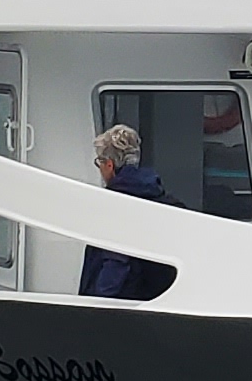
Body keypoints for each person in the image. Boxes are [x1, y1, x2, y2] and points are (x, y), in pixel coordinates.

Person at [77, 124, 182, 301]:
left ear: (109, 165)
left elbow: (114, 269)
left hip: (121, 308)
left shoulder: (114, 208)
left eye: (99, 163)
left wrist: (93, 307)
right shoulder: (164, 201)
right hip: (158, 303)